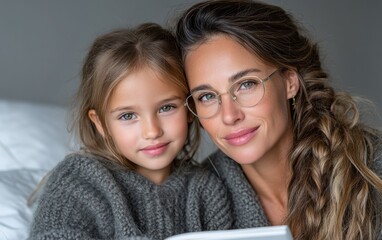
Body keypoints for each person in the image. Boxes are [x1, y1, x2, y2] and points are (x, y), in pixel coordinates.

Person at [174, 0, 382, 239]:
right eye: (207, 96)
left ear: (289, 82)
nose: (229, 115)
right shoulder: (193, 200)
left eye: (246, 84)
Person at [29, 23, 233, 240]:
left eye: (166, 108)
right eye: (128, 116)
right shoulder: (80, 180)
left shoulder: (207, 189)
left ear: (190, 108)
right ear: (100, 124)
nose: (152, 131)